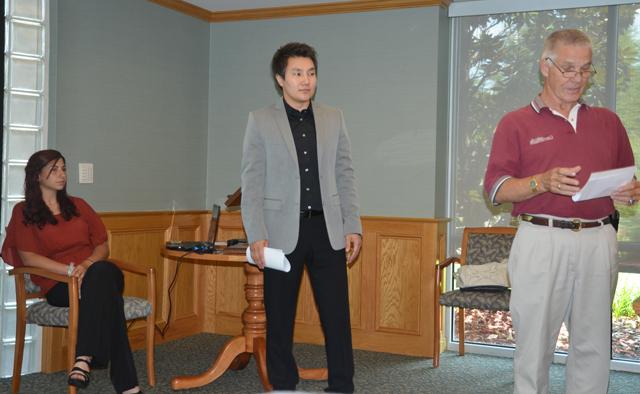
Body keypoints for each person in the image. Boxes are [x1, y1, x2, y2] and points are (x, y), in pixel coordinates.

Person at [484, 29, 639, 394]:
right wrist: (541, 182)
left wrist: (630, 193)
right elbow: (496, 189)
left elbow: (630, 186)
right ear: (545, 66)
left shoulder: (608, 122)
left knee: (594, 345)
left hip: (598, 239)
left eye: (585, 70)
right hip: (541, 239)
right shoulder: (515, 122)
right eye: (568, 68)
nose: (577, 78)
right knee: (534, 345)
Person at [241, 42, 362, 393]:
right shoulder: (260, 120)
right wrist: (256, 233)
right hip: (280, 233)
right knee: (279, 317)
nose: (305, 80)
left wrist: (353, 224)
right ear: (280, 79)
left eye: (310, 73)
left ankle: (342, 385)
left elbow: (345, 173)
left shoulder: (333, 117)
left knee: (337, 316)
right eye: (297, 73)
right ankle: (282, 384)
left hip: (328, 230)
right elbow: (251, 182)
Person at [2, 150, 142, 394]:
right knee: (110, 302)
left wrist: (86, 265)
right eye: (54, 169)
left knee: (101, 273)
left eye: (64, 168)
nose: (62, 174)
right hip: (59, 284)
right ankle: (128, 386)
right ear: (37, 175)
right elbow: (28, 257)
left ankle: (83, 357)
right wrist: (70, 271)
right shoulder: (23, 211)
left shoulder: (78, 205)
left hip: (96, 272)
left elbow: (102, 245)